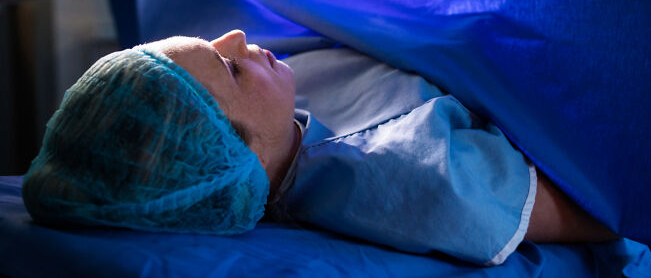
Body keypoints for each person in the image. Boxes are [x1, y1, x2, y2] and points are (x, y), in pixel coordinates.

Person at [22, 30, 616, 266]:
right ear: (238, 153)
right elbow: (610, 214)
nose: (235, 37)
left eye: (210, 42)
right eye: (228, 67)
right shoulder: (418, 188)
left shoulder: (282, 98)